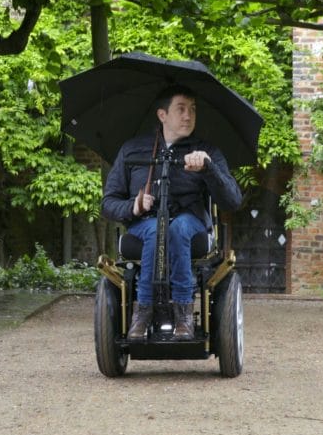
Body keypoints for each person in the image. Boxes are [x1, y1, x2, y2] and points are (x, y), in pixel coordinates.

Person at [101, 84, 242, 340]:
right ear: (162, 115)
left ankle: (183, 314)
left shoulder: (206, 151)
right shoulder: (132, 150)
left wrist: (208, 169)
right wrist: (133, 206)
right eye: (181, 109)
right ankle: (143, 312)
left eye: (193, 109)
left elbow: (232, 201)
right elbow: (108, 203)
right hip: (144, 223)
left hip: (190, 222)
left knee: (176, 229)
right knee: (156, 230)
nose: (188, 116)